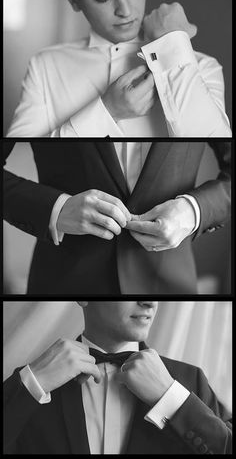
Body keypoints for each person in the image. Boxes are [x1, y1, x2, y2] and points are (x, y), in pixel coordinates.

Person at [3, 301, 232, 454]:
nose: (149, 302)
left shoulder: (189, 381)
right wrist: (33, 382)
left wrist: (171, 398)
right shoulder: (33, 383)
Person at [3, 141, 231, 294]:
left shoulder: (201, 75)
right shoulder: (45, 77)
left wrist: (193, 210)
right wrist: (57, 208)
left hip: (171, 283)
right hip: (64, 281)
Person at [6, 0, 232, 137]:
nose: (125, 11)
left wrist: (171, 43)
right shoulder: (45, 64)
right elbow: (21, 150)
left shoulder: (202, 67)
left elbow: (210, 138)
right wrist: (108, 110)